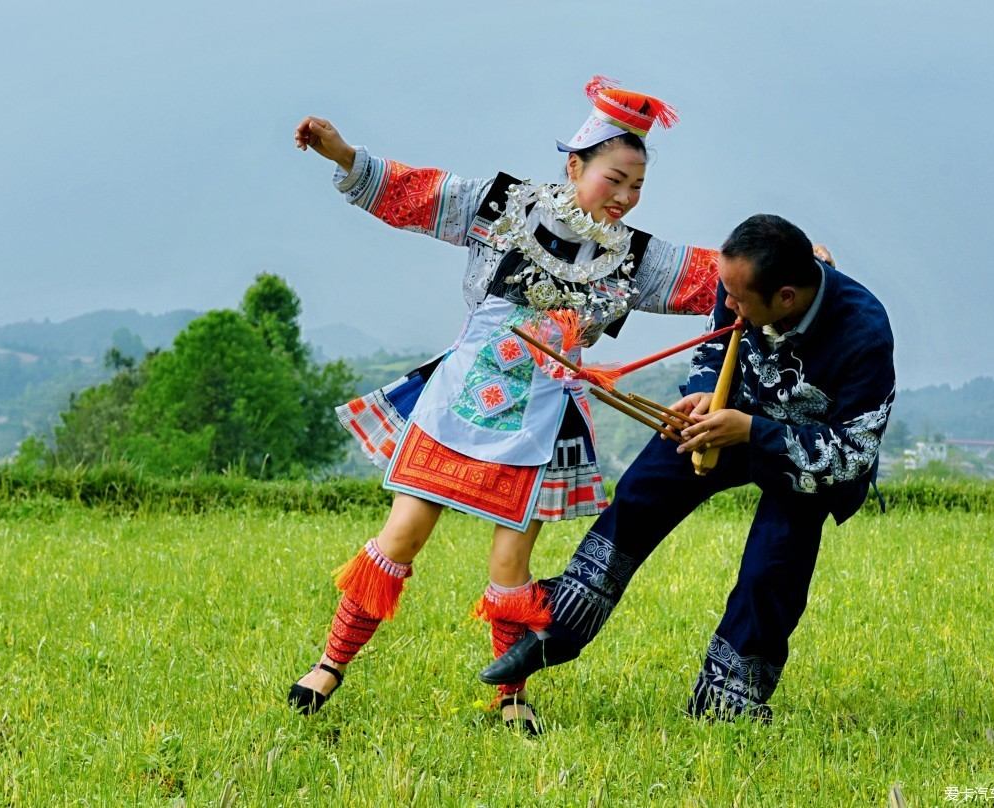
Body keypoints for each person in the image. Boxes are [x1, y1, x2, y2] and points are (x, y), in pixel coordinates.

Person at [286, 78, 723, 733]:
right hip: (456, 402)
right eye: (615, 179)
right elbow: (420, 193)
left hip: (538, 424)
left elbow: (710, 274)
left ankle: (511, 696)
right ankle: (329, 663)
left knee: (510, 567)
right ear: (575, 165)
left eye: (637, 187)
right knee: (399, 538)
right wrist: (344, 154)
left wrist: (793, 264)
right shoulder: (503, 206)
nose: (627, 198)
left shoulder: (630, 259)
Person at [479, 213, 895, 722]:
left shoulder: (865, 330)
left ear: (786, 297)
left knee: (773, 567)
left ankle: (725, 705)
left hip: (802, 456)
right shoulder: (739, 286)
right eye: (727, 292)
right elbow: (716, 346)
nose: (728, 304)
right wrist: (701, 394)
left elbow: (852, 454)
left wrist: (751, 431)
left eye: (739, 300)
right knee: (646, 485)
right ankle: (560, 628)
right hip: (729, 416)